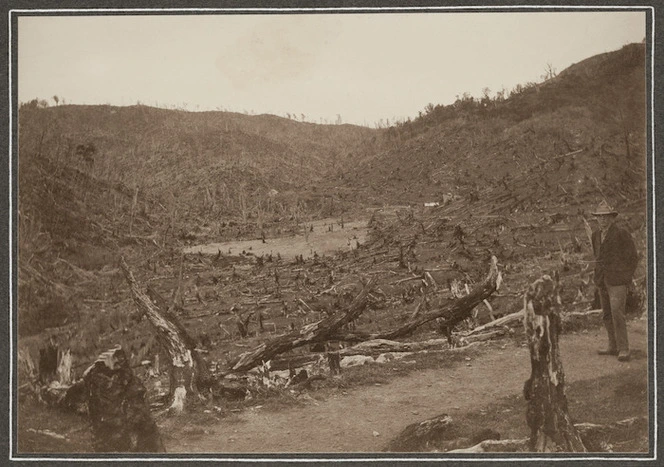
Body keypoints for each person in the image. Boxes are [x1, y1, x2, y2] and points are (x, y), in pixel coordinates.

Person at [591, 200, 639, 362]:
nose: (603, 220)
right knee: (606, 314)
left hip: (617, 280)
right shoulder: (595, 235)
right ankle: (612, 346)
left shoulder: (621, 234)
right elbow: (597, 257)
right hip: (602, 279)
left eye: (606, 217)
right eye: (600, 217)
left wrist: (626, 277)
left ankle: (624, 348)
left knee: (617, 313)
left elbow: (633, 258)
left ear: (612, 218)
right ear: (597, 219)